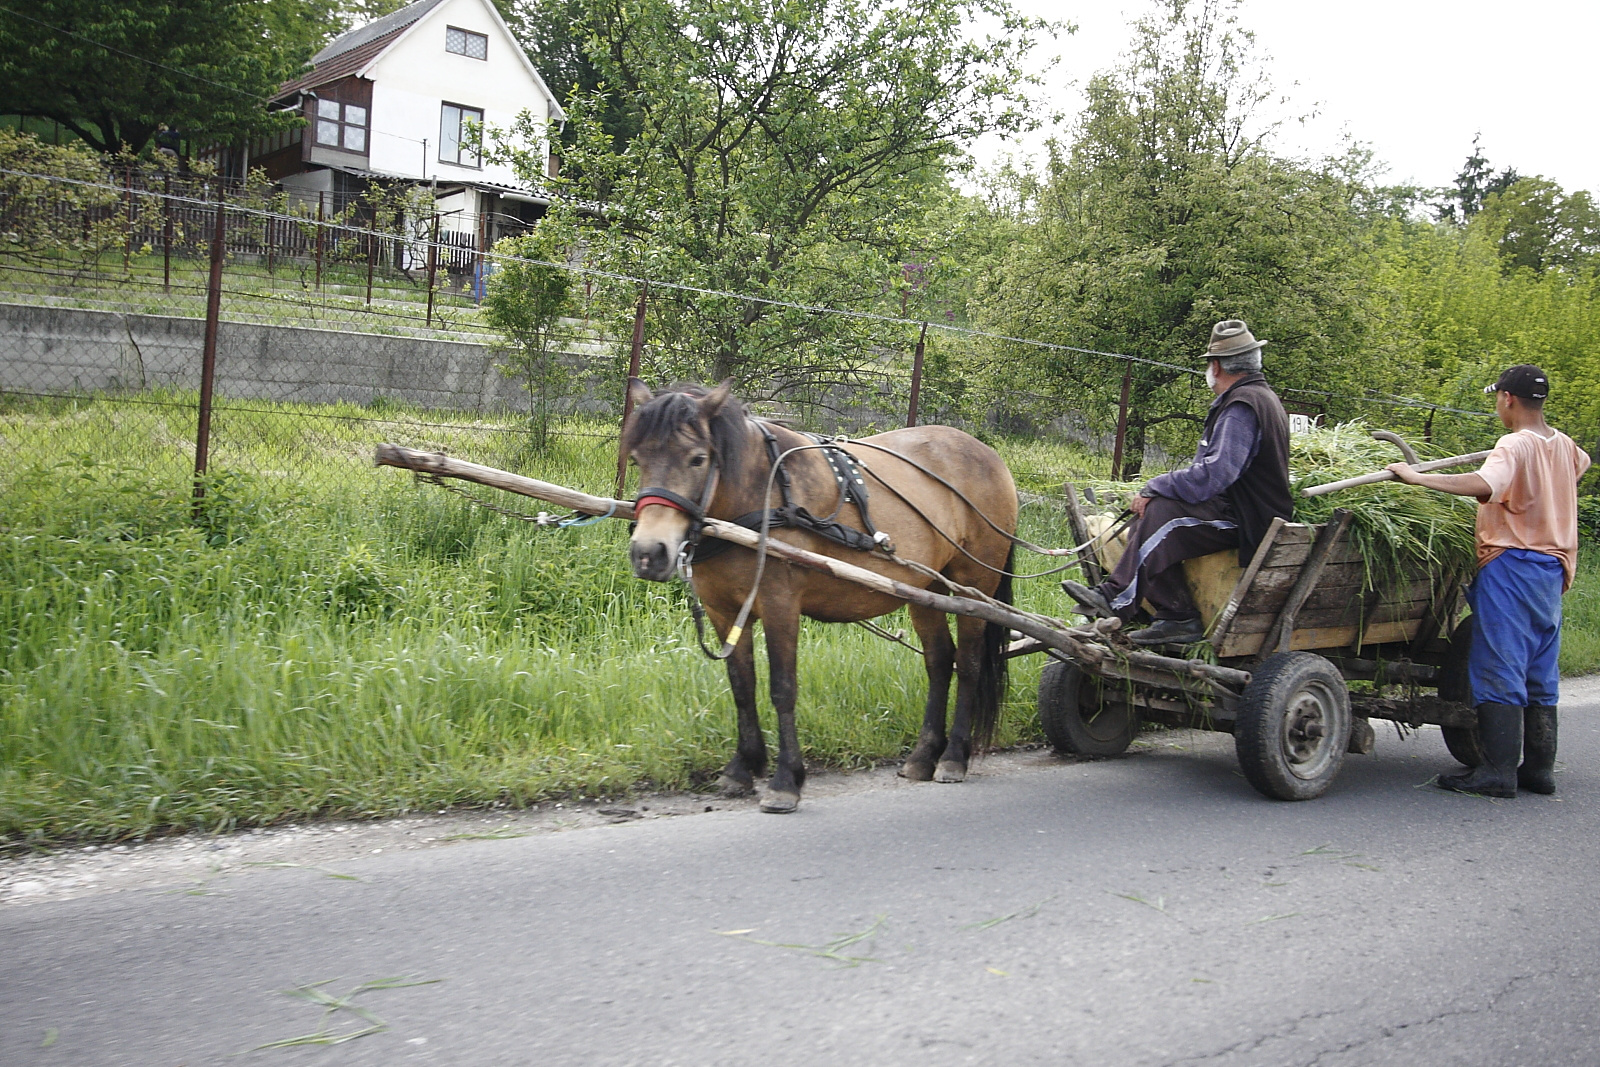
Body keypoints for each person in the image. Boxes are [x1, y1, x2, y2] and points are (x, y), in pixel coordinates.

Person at [1387, 365, 1591, 798]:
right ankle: (1538, 770)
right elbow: (1581, 466)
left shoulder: (1513, 444)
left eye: (1497, 398)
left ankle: (1497, 772)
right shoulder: (1566, 447)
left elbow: (1484, 483)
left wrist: (1417, 477)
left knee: (1500, 662)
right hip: (1552, 570)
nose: (1497, 404)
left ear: (1508, 399)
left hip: (1513, 564)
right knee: (1539, 666)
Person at [1064, 320, 1294, 646]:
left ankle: (1115, 599)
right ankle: (1177, 615)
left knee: (1161, 515)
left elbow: (1215, 475)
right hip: (1240, 510)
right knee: (1157, 516)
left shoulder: (1242, 406)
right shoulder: (1255, 398)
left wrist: (1154, 486)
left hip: (1249, 520)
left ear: (1216, 366)